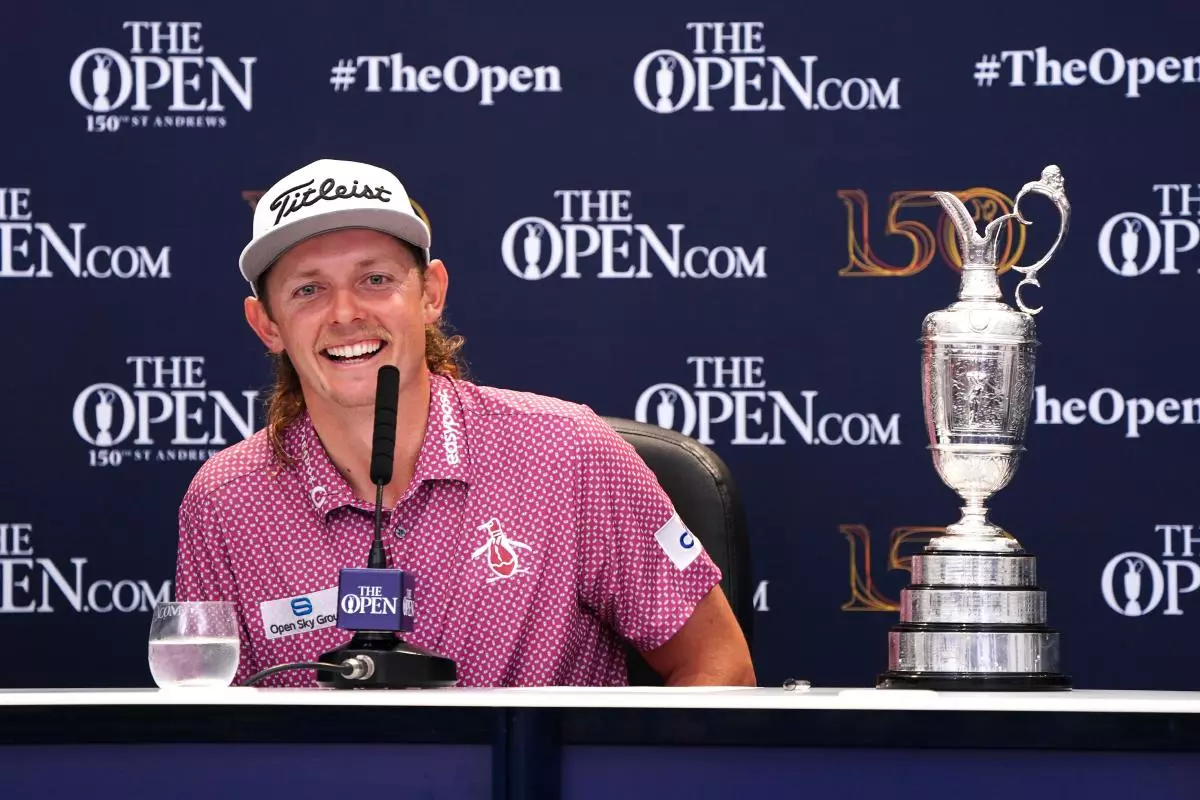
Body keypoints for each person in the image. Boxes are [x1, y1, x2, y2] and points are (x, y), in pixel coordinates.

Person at [174, 158, 756, 688]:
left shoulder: (568, 451)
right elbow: (210, 726)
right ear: (267, 324)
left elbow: (717, 662)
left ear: (430, 294)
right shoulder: (225, 502)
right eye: (308, 289)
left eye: (375, 279)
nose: (346, 313)